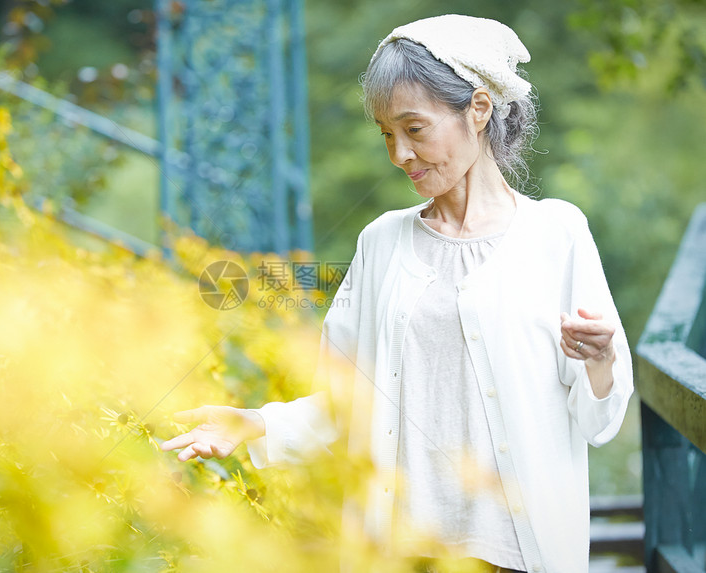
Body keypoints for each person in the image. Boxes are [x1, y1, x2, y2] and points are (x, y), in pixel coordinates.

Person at [161, 14, 633, 573]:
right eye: (387, 133)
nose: (399, 154)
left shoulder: (556, 233)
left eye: (414, 128)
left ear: (477, 110)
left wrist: (601, 359)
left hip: (521, 555)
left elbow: (598, 420)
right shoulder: (381, 241)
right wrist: (256, 423)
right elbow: (346, 403)